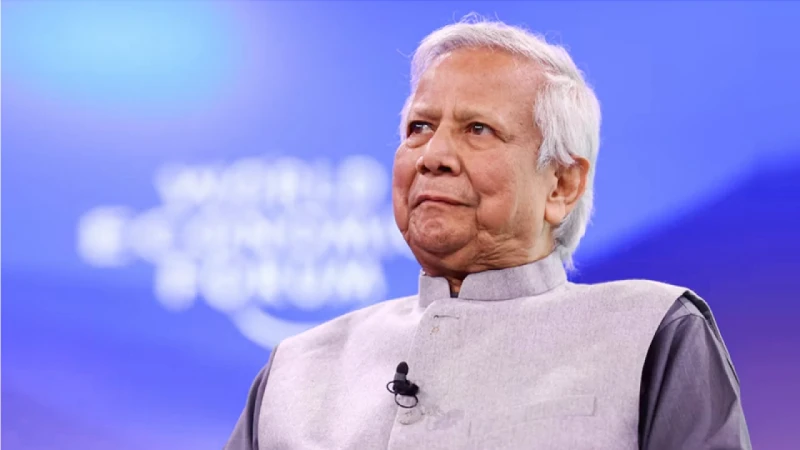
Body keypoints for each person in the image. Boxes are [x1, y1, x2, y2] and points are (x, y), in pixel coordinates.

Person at [225, 17, 751, 450]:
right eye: (419, 128)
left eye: (478, 129)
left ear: (562, 184)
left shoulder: (653, 332)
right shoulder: (298, 367)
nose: (433, 156)